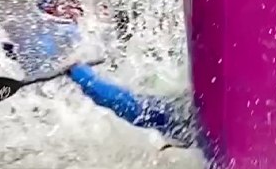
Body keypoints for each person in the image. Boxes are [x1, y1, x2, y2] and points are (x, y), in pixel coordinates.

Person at [63, 58, 196, 149]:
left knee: (133, 108)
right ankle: (79, 71)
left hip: (193, 119)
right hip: (185, 114)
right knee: (132, 108)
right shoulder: (171, 118)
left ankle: (80, 72)